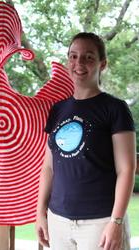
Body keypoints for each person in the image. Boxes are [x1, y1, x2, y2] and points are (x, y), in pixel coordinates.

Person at [36, 32, 136, 250]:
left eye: (88, 57)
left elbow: (126, 169)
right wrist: (40, 212)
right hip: (58, 220)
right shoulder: (58, 110)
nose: (79, 63)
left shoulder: (115, 109)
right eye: (73, 56)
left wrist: (116, 222)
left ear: (102, 64)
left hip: (100, 223)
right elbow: (48, 167)